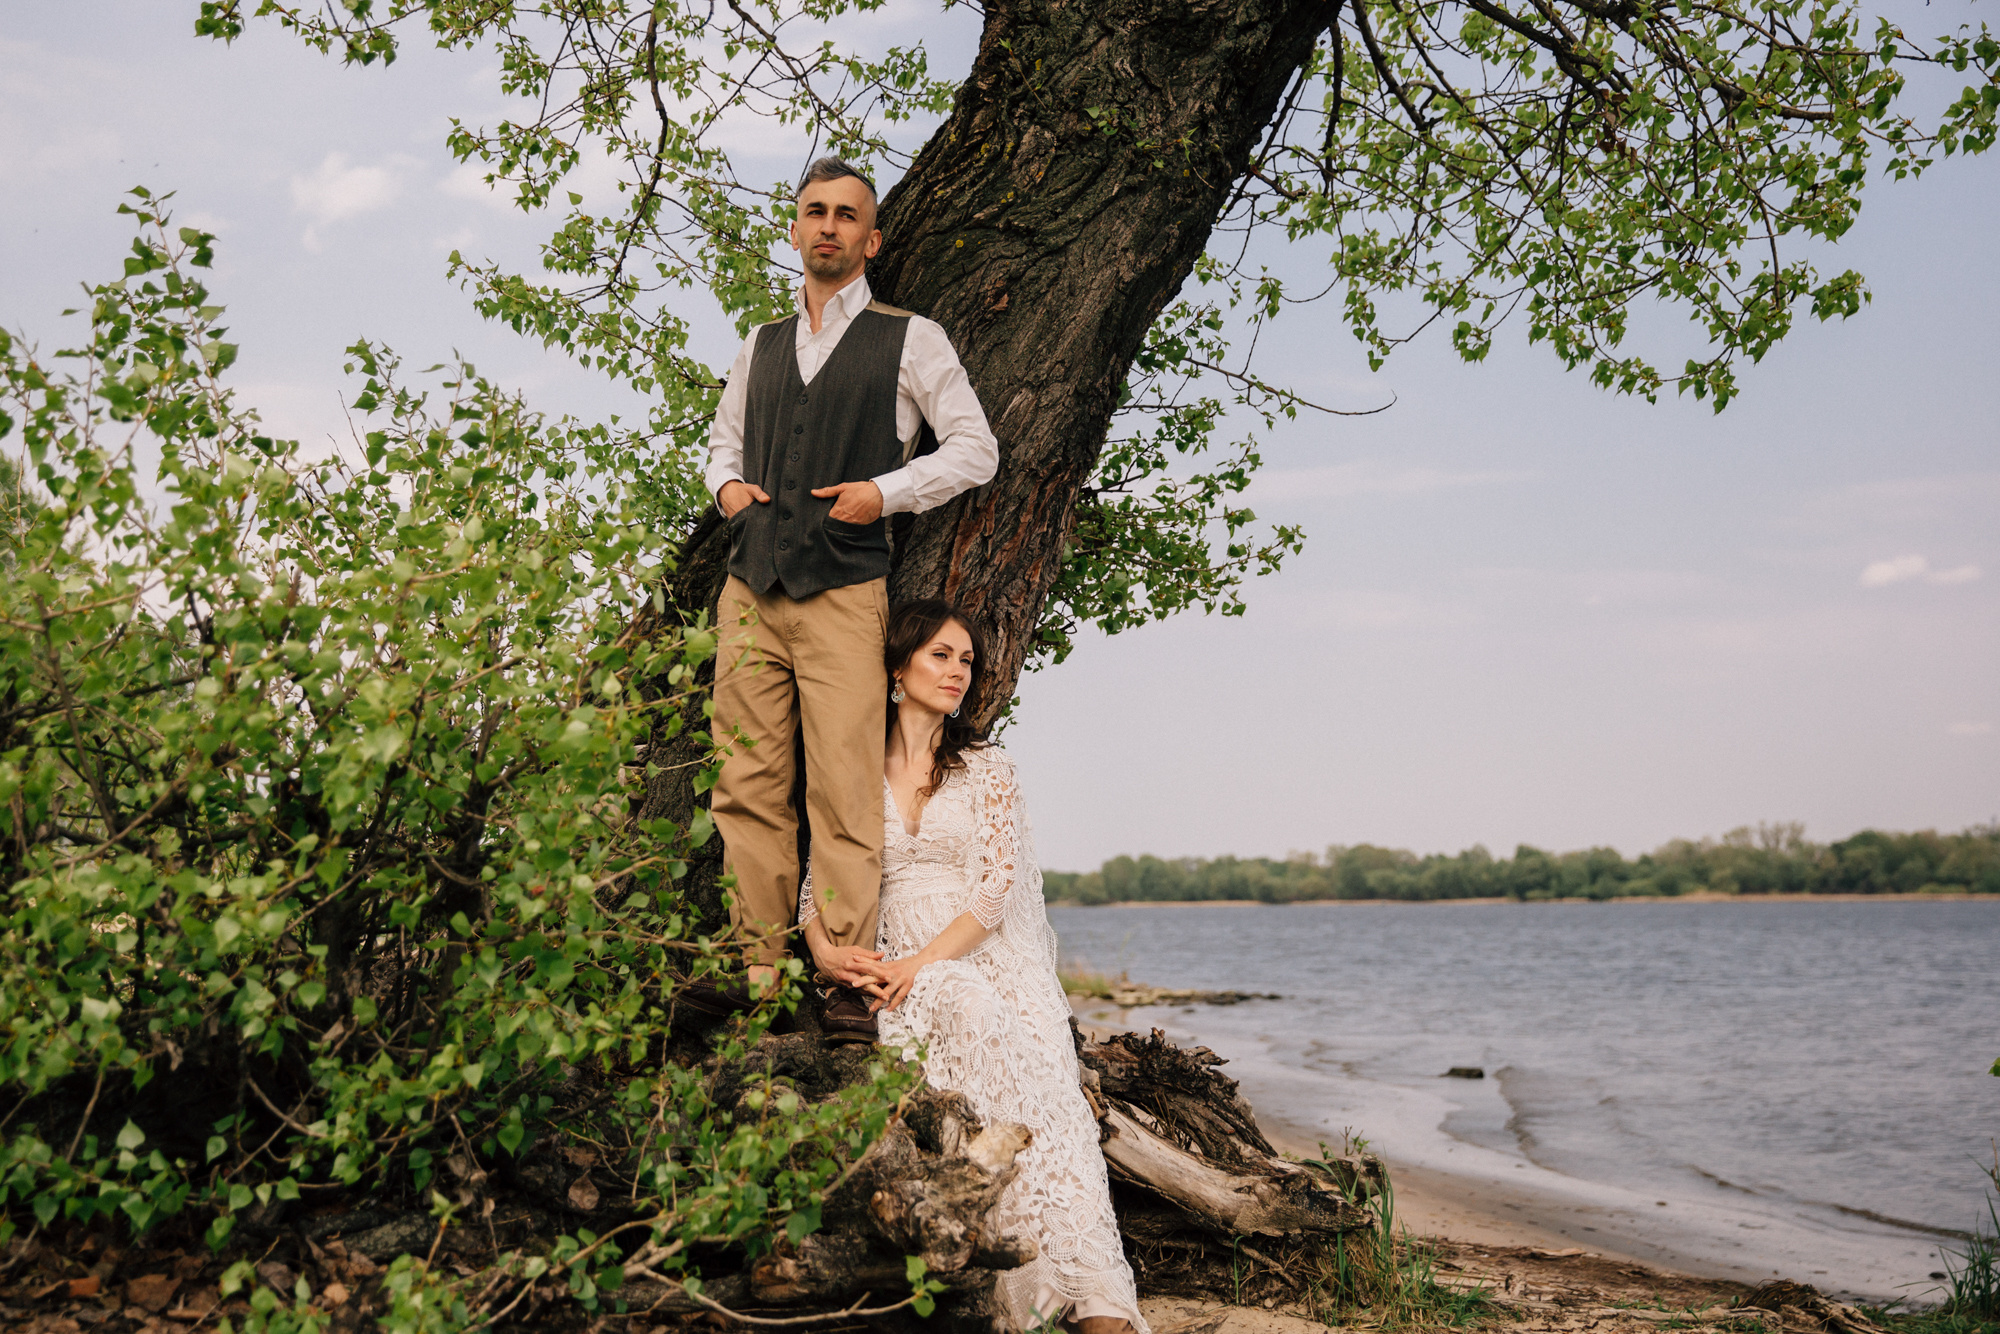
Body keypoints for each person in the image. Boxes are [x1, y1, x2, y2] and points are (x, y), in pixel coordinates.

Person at [690, 157, 998, 1039]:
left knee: (843, 788)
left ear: (871, 239)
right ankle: (757, 973)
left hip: (844, 590)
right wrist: (726, 492)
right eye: (813, 212)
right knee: (745, 782)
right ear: (795, 230)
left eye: (846, 215)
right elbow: (722, 445)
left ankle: (848, 988)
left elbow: (977, 451)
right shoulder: (759, 344)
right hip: (750, 587)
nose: (828, 226)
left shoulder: (913, 339)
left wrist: (885, 490)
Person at [799, 601, 1149, 1334]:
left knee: (1043, 1103)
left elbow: (994, 892)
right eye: (940, 656)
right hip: (895, 961)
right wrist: (825, 952)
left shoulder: (987, 766)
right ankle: (1022, 1290)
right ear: (897, 667)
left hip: (983, 957)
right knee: (956, 1011)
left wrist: (920, 965)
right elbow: (814, 887)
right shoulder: (850, 767)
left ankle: (1092, 1299)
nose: (958, 672)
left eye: (966, 660)